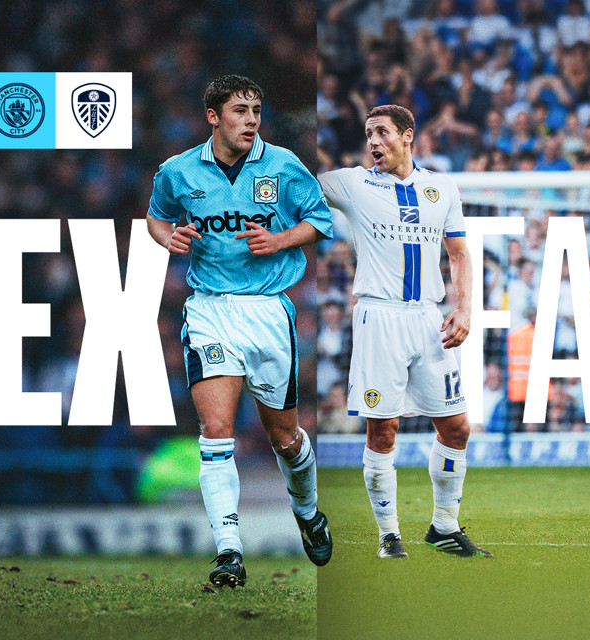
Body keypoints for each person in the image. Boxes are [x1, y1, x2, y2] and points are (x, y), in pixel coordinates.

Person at [146, 75, 334, 586]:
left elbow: (321, 222)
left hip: (268, 312)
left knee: (286, 438)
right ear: (214, 116)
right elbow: (156, 217)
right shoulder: (178, 171)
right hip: (209, 310)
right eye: (239, 110)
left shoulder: (283, 166)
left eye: (256, 109)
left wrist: (280, 240)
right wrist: (171, 237)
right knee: (215, 431)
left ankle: (308, 511)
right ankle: (229, 551)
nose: (251, 119)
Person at [319, 104, 491, 559]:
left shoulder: (441, 187)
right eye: (368, 134)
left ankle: (444, 525)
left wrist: (465, 309)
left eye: (382, 132)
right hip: (379, 317)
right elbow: (301, 177)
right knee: (384, 431)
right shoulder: (353, 183)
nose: (373, 141)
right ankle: (389, 534)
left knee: (457, 427)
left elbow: (458, 254)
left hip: (428, 319)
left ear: (408, 135)